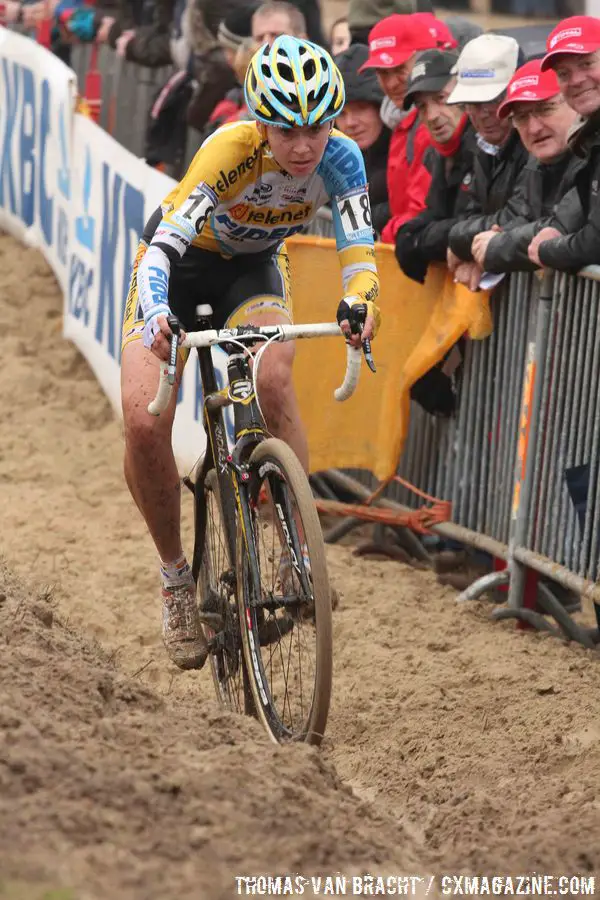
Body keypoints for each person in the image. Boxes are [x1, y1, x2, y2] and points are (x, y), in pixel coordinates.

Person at [121, 37, 381, 671]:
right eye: (287, 131)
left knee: (274, 374)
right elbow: (161, 250)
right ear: (261, 123)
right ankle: (177, 578)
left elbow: (361, 260)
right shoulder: (230, 151)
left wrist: (362, 306)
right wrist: (157, 312)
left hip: (254, 270)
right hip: (178, 271)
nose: (302, 147)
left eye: (316, 129)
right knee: (143, 421)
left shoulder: (342, 161)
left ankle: (297, 543)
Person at [470, 59, 578, 273]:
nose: (534, 128)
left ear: (574, 103)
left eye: (546, 109)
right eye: (521, 117)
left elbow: (562, 229)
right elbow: (524, 220)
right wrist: (487, 245)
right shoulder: (536, 166)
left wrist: (496, 246)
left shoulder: (590, 159)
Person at [445, 33, 528, 289]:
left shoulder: (533, 144)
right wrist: (477, 249)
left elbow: (518, 217)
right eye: (473, 103)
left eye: (494, 100)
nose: (484, 114)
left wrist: (461, 242)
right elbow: (469, 212)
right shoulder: (481, 145)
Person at [394, 48, 475, 284]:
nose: (431, 115)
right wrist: (407, 234)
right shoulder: (438, 153)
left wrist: (420, 241)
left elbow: (471, 223)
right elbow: (436, 212)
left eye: (441, 99)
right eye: (422, 107)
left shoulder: (484, 146)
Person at [527, 16, 600, 272]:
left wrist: (546, 250)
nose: (577, 80)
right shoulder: (591, 136)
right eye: (564, 73)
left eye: (587, 63)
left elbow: (595, 241)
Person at [358, 14, 438, 243]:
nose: (392, 83)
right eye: (383, 73)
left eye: (399, 69)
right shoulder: (399, 122)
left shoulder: (430, 124)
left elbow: (420, 210)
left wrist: (387, 238)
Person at [335, 43, 391, 232]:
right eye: (341, 114)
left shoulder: (408, 152)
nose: (350, 122)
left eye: (360, 109)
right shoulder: (328, 160)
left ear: (380, 107)